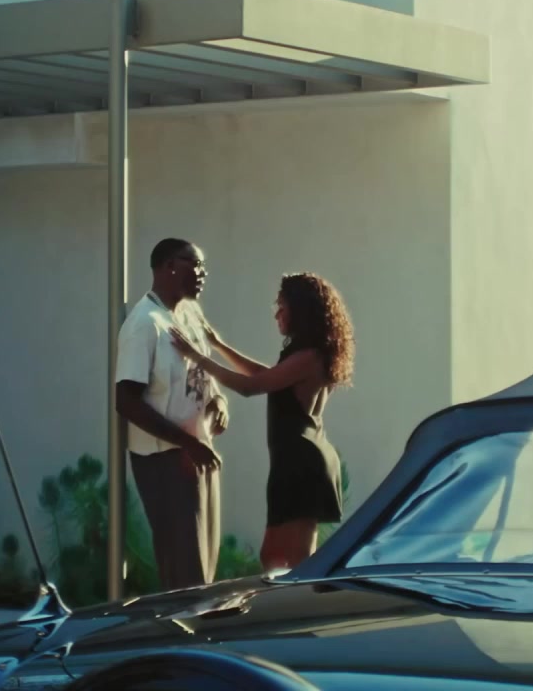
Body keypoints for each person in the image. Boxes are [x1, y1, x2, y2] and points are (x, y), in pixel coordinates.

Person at [170, 272, 354, 571]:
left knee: (287, 563)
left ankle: (302, 602)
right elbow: (264, 375)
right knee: (278, 559)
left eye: (282, 305)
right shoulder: (306, 354)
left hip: (302, 463)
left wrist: (197, 357)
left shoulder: (310, 356)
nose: (276, 313)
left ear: (300, 309)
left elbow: (249, 387)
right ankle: (295, 600)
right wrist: (218, 345)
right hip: (296, 461)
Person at [114, 238, 230, 591]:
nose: (202, 272)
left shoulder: (190, 315)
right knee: (184, 571)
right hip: (165, 460)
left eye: (203, 265)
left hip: (197, 453)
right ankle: (178, 626)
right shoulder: (144, 324)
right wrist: (186, 443)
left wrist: (218, 401)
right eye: (193, 263)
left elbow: (200, 373)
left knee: (203, 569)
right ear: (167, 266)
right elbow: (127, 401)